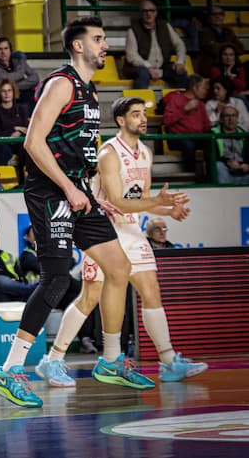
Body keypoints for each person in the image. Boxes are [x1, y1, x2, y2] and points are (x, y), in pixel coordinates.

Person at [0, 17, 156, 409]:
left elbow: (80, 150)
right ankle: (9, 370)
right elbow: (33, 143)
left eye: (104, 38)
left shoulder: (89, 90)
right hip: (51, 190)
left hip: (79, 190)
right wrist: (67, 187)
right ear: (78, 46)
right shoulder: (61, 83)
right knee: (56, 279)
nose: (104, 45)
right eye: (98, 39)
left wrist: (96, 194)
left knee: (119, 268)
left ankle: (110, 358)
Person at [36, 96, 205, 389]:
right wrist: (158, 202)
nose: (143, 119)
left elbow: (141, 198)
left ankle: (169, 362)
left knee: (151, 289)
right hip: (102, 231)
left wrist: (168, 210)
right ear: (120, 120)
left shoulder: (146, 153)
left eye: (144, 114)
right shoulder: (109, 154)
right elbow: (116, 200)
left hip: (130, 229)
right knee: (91, 296)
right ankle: (53, 359)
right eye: (136, 114)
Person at [122, 0, 189, 90]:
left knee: (181, 73)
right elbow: (131, 55)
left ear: (156, 13)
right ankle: (140, 98)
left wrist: (180, 62)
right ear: (141, 13)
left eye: (152, 10)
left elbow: (179, 44)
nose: (148, 14)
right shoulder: (133, 30)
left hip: (162, 67)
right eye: (145, 11)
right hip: (141, 67)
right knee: (143, 73)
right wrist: (148, 67)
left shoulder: (165, 26)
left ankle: (179, 98)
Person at [162, 75, 211, 172]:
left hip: (198, 137)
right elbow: (166, 121)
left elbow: (206, 126)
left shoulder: (201, 104)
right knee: (188, 145)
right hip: (179, 138)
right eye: (203, 88)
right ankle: (192, 175)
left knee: (212, 143)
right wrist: (184, 110)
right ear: (194, 88)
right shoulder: (175, 99)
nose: (206, 91)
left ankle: (211, 175)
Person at [0, 38, 39, 106]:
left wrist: (13, 87)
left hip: (24, 95)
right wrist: (21, 73)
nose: (3, 52)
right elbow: (4, 78)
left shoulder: (18, 61)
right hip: (4, 100)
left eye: (6, 48)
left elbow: (35, 78)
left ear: (10, 50)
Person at [0, 78, 29, 166]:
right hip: (2, 143)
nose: (7, 94)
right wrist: (15, 129)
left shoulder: (22, 109)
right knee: (2, 150)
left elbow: (26, 129)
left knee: (27, 147)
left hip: (20, 142)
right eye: (3, 91)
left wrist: (18, 131)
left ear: (13, 92)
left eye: (9, 90)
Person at [198, 7, 244, 79]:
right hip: (211, 68)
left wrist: (219, 45)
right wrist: (230, 45)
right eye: (214, 14)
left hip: (231, 67)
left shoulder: (229, 31)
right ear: (209, 17)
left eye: (220, 14)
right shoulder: (204, 31)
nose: (217, 16)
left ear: (223, 16)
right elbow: (212, 49)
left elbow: (240, 48)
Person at [212, 105, 249, 184]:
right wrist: (228, 162)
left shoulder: (243, 133)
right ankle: (224, 190)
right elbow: (210, 156)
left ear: (237, 118)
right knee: (218, 165)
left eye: (234, 116)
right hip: (225, 169)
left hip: (242, 172)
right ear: (221, 119)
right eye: (227, 116)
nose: (231, 119)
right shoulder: (213, 133)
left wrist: (247, 164)